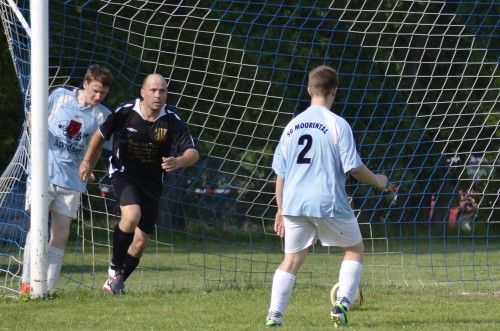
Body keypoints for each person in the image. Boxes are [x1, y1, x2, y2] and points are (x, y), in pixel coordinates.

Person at [265, 65, 387, 327]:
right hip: (328, 202)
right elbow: (353, 167)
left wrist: (279, 209)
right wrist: (377, 180)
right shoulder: (338, 124)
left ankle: (274, 315)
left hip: (294, 204)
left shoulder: (292, 126)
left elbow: (281, 173)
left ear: (309, 90)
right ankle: (342, 303)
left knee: (291, 260)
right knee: (354, 250)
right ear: (334, 91)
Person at [78, 73, 199, 294]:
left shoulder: (172, 119)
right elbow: (99, 135)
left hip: (152, 183)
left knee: (141, 241)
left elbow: (193, 152)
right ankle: (115, 268)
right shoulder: (126, 111)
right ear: (143, 93)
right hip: (124, 174)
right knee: (131, 216)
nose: (158, 95)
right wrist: (87, 162)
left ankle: (115, 283)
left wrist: (179, 161)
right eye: (153, 90)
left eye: (162, 91)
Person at [21, 65, 114, 295]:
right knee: (37, 228)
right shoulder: (60, 96)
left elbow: (98, 149)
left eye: (103, 93)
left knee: (60, 236)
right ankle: (26, 284)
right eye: (95, 91)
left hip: (72, 182)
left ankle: (47, 289)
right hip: (43, 173)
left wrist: (90, 168)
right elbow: (36, 120)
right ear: (85, 84)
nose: (98, 96)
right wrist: (33, 121)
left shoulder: (104, 115)